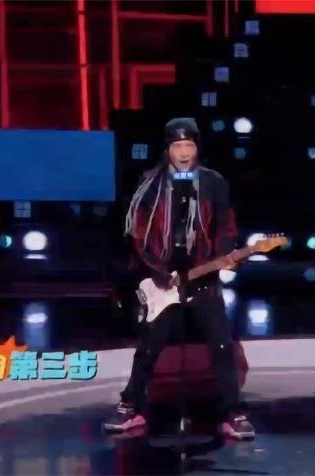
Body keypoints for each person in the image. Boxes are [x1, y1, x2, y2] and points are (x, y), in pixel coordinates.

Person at [104, 117, 255, 440]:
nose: (184, 153)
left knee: (222, 345)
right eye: (178, 146)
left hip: (203, 278)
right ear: (167, 149)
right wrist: (159, 272)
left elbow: (225, 227)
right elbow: (137, 233)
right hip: (162, 279)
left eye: (189, 145)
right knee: (149, 347)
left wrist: (224, 255)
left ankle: (234, 413)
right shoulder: (150, 184)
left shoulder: (214, 182)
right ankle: (131, 406)